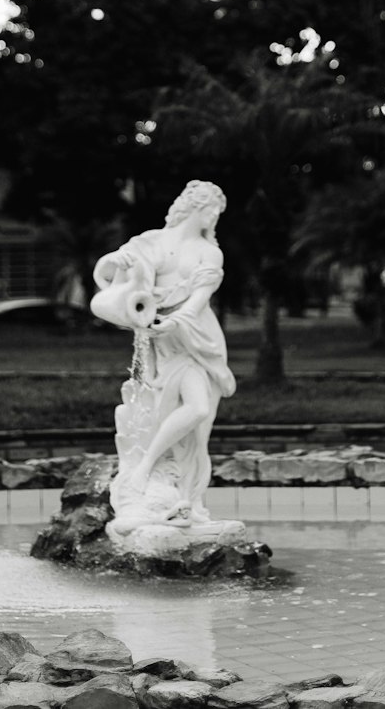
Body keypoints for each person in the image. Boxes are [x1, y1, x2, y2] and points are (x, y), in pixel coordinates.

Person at [91, 179, 235, 528]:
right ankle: (148, 480)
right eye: (211, 208)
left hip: (197, 337)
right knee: (168, 411)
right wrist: (111, 262)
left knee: (200, 420)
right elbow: (111, 283)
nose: (215, 216)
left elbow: (199, 299)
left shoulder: (210, 252)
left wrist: (176, 322)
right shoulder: (149, 242)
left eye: (218, 211)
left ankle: (187, 500)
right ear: (194, 207)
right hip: (162, 339)